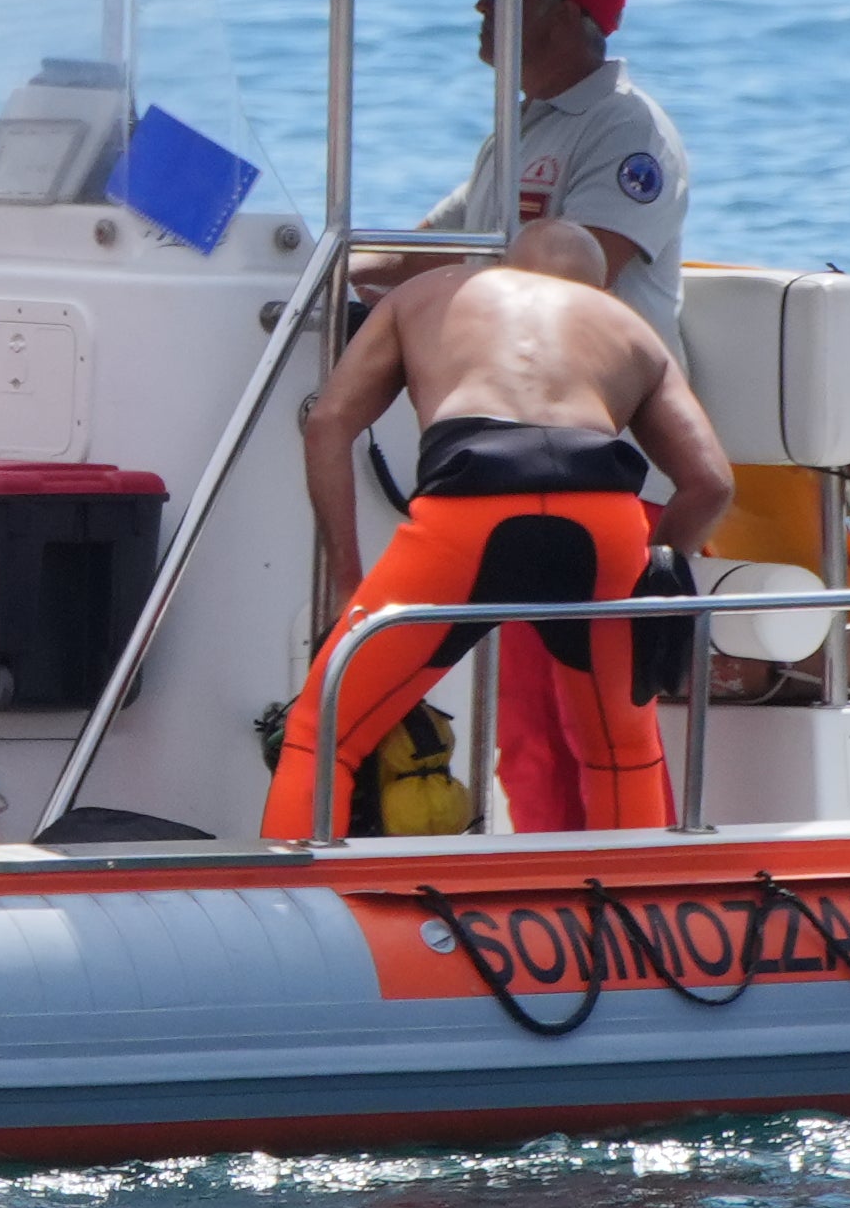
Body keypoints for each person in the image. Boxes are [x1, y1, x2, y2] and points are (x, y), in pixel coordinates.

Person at [269, 250, 733, 843]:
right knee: (622, 749)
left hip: (469, 511)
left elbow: (329, 422)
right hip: (600, 517)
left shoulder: (429, 291)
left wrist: (346, 583)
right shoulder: (625, 325)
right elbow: (711, 483)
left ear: (506, 261)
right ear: (593, 285)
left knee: (323, 733)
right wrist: (656, 576)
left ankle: (293, 908)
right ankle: (631, 913)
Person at [406, 0, 690, 355]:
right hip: (511, 388)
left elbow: (569, 289)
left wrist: (412, 316)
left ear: (563, 16)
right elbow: (422, 253)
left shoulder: (628, 131)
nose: (482, 4)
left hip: (598, 411)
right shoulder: (524, 129)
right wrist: (322, 280)